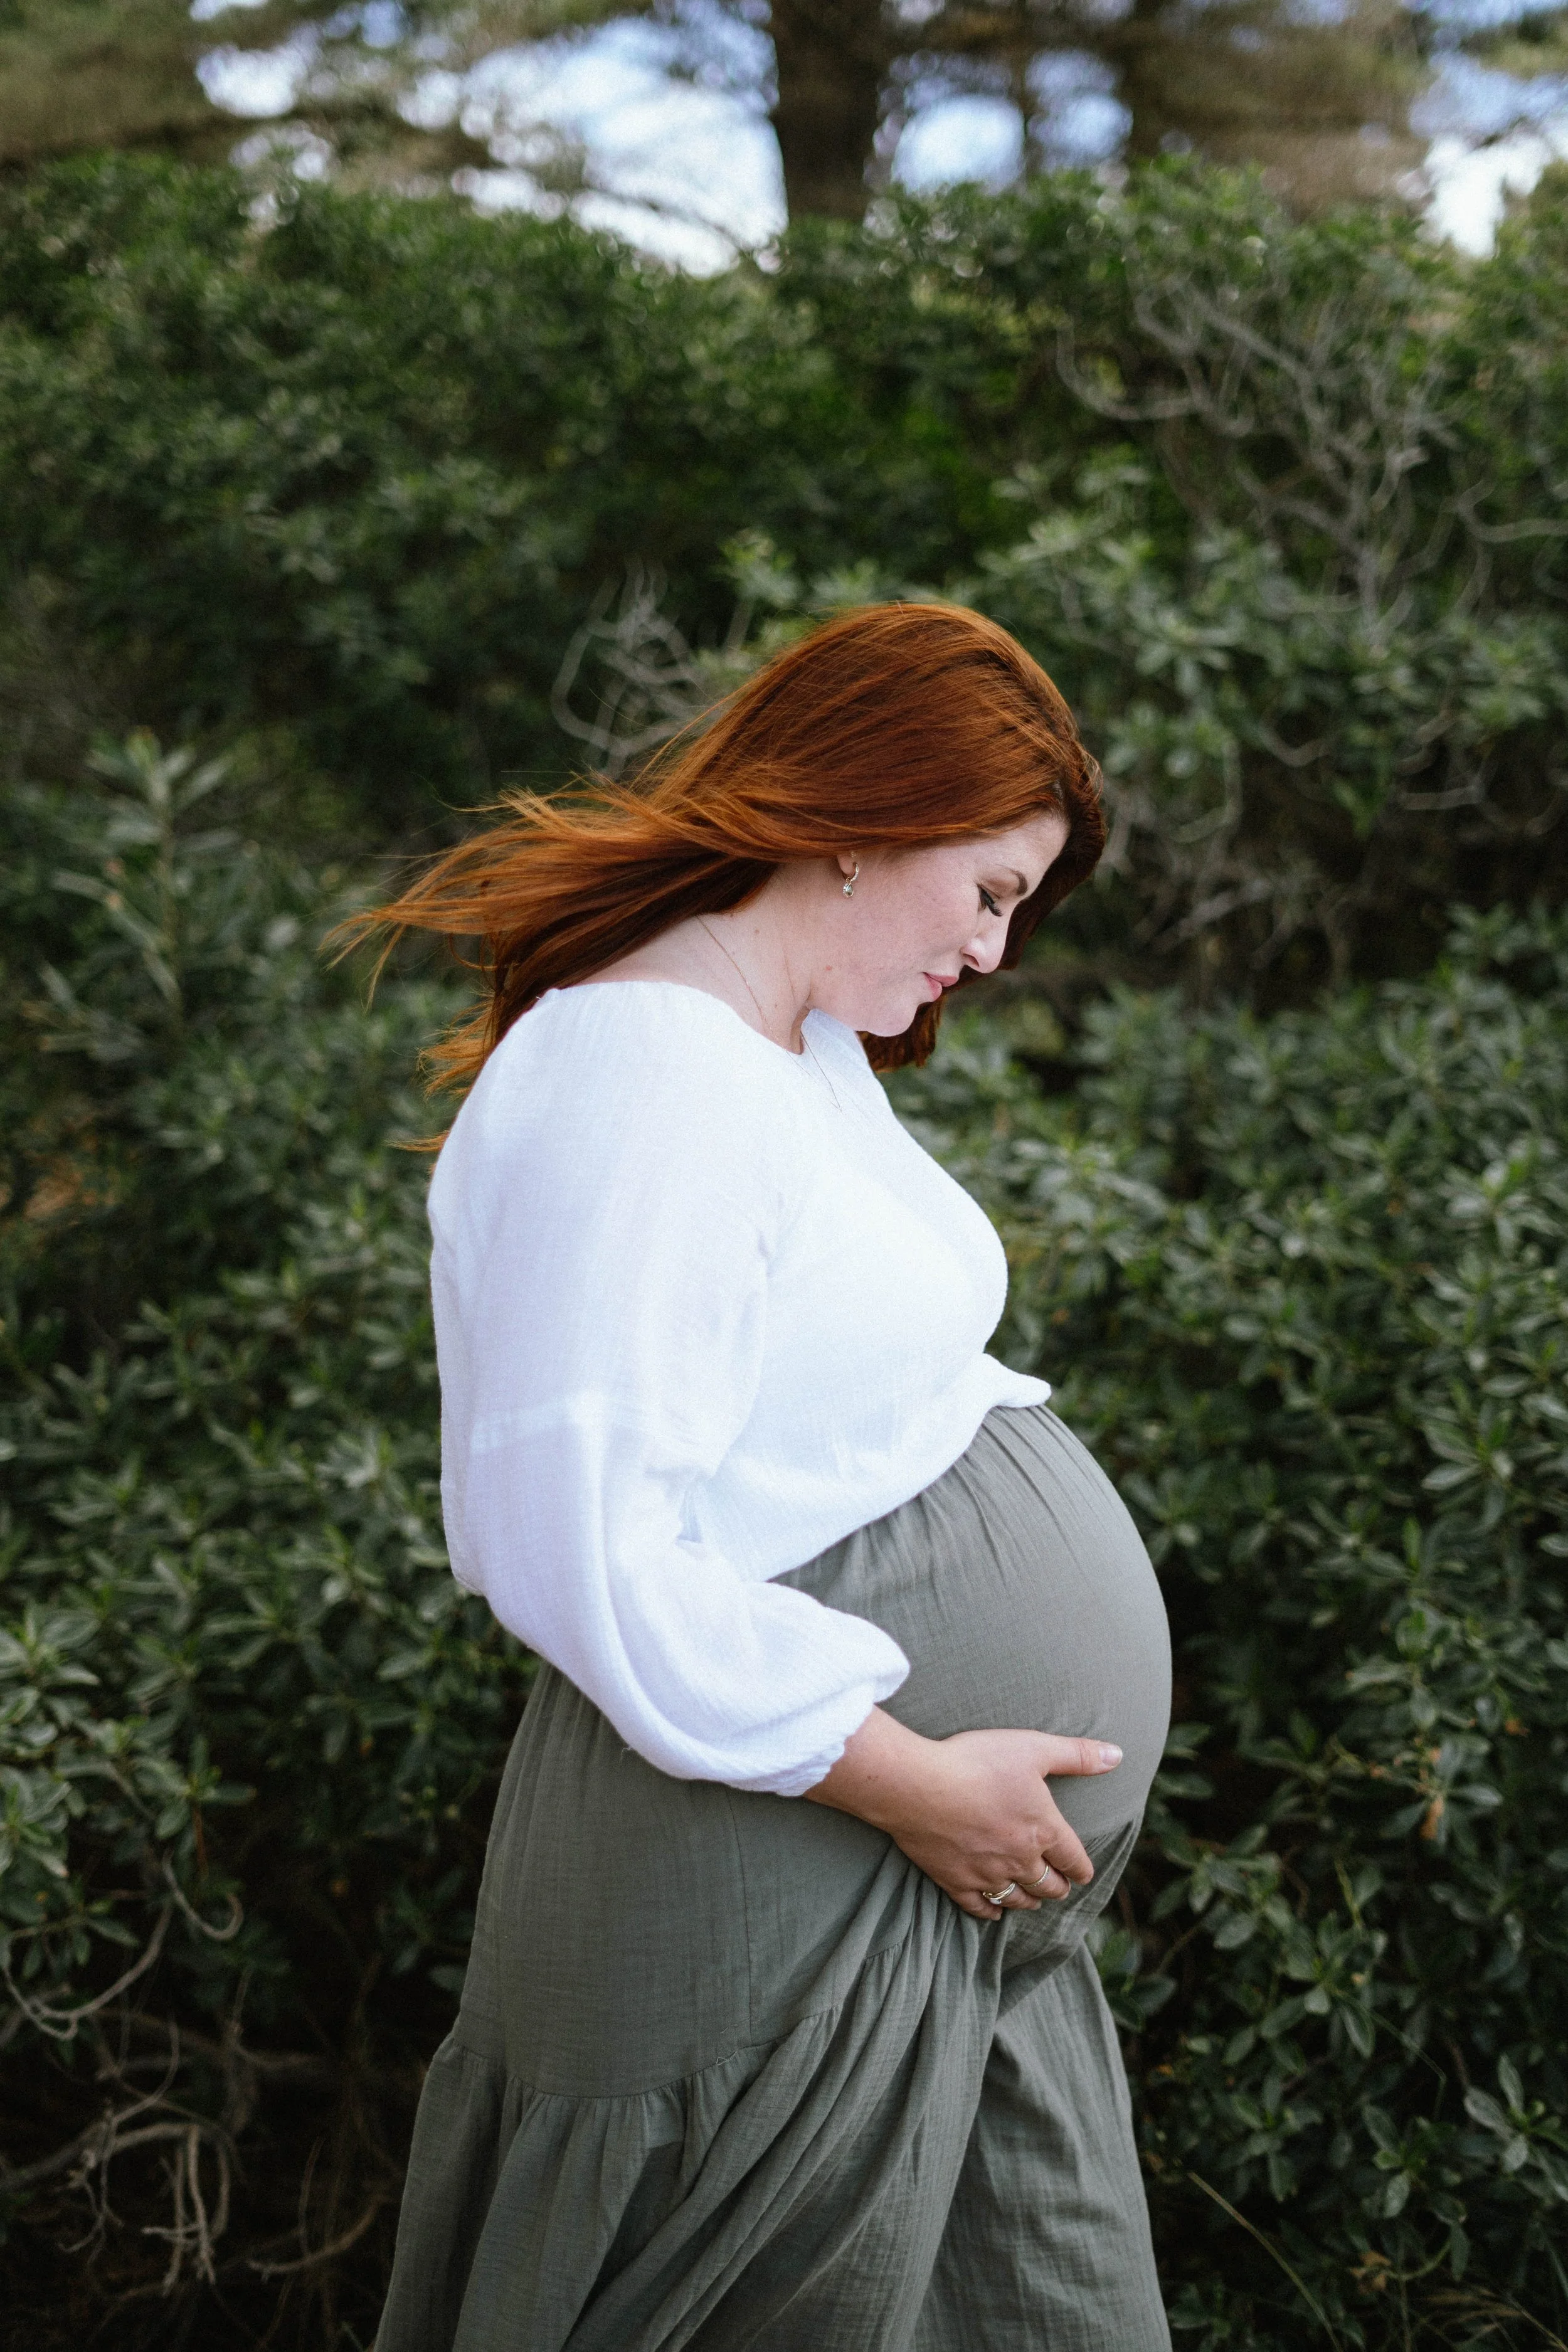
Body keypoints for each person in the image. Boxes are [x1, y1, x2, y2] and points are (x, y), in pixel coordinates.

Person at [368, 603, 1172, 2351]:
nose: (993, 948)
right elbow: (581, 1550)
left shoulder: (781, 1057)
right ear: (865, 819)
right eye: (987, 888)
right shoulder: (636, 1073)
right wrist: (913, 1784)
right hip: (797, 1859)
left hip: (922, 1891)